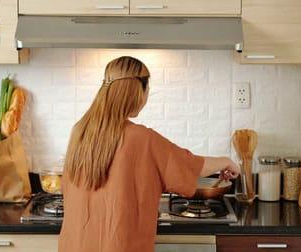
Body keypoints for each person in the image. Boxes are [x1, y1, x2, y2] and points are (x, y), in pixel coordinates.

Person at [59, 56, 240, 252]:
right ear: (140, 91)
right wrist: (226, 161)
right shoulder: (142, 138)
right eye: (148, 90)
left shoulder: (80, 132)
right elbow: (190, 166)